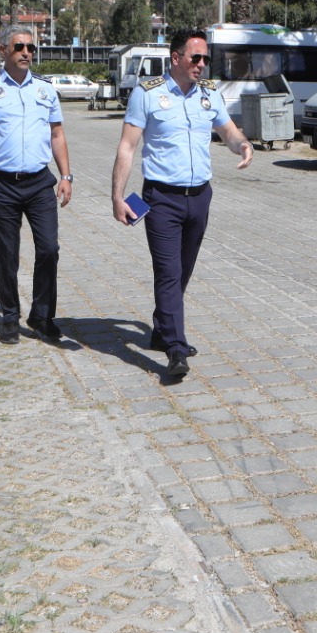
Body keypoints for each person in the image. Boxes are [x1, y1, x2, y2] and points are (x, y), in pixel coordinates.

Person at [111, 32, 254, 381]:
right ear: (176, 58)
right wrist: (117, 196)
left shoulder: (209, 95)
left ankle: (162, 328)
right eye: (195, 58)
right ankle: (175, 349)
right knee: (169, 274)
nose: (201, 65)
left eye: (205, 59)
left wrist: (244, 145)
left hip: (200, 197)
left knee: (183, 272)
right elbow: (128, 148)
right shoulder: (148, 94)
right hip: (160, 199)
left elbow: (228, 131)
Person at [0, 26, 73, 345]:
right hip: (0, 184)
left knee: (49, 249)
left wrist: (66, 176)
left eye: (31, 48)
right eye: (19, 47)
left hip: (40, 182)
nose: (26, 52)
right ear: (3, 51)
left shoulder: (45, 89)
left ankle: (41, 315)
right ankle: (10, 317)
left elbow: (57, 134)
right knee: (8, 254)